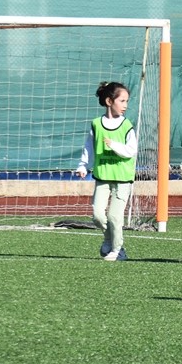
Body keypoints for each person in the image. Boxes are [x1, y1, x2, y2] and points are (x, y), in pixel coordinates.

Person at [76, 81, 138, 262]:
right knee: (97, 215)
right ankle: (109, 239)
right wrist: (82, 165)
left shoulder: (127, 126)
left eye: (127, 101)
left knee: (114, 216)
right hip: (102, 176)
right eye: (122, 101)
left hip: (122, 179)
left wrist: (115, 146)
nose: (125, 105)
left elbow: (131, 150)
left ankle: (118, 250)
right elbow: (89, 146)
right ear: (109, 101)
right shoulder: (96, 124)